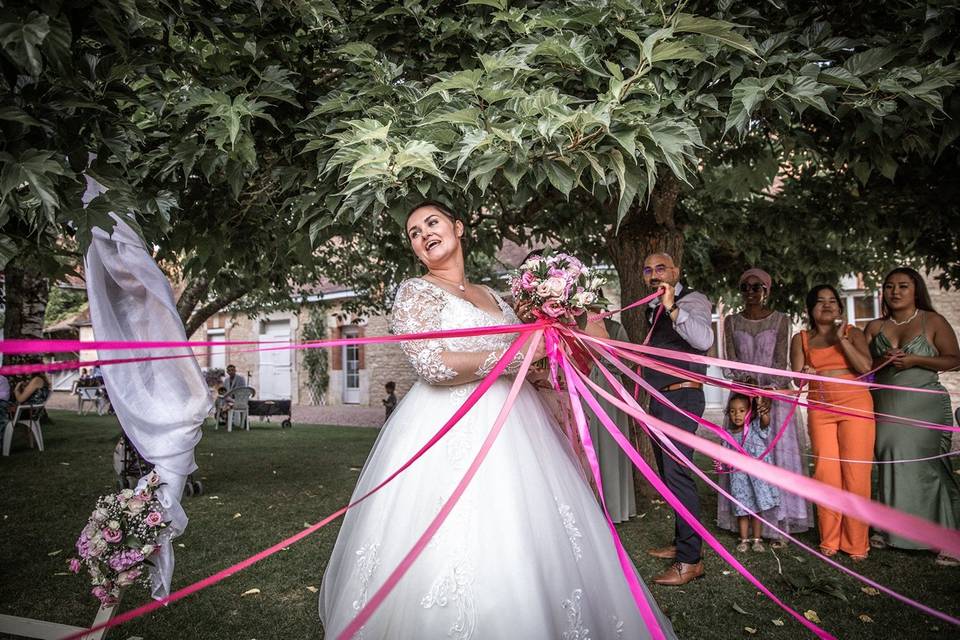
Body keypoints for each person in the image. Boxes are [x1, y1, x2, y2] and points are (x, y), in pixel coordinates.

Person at [319, 201, 676, 639]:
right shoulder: (415, 292)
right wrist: (519, 353)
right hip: (445, 424)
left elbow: (531, 367)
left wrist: (566, 349)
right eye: (414, 232)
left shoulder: (494, 297)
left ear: (458, 227)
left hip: (519, 424)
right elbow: (433, 364)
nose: (425, 234)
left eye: (432, 223)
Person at [864, 267, 960, 565]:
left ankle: (947, 537)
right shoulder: (874, 327)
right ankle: (891, 528)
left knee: (925, 463)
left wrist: (917, 359)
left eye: (902, 286)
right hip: (884, 402)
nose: (894, 291)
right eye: (889, 286)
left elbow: (955, 359)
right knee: (889, 458)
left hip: (923, 402)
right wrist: (884, 360)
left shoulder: (932, 321)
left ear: (915, 289)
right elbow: (862, 367)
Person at [718, 268, 813, 545]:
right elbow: (730, 362)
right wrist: (745, 386)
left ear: (766, 290)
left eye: (756, 287)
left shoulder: (781, 320)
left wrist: (766, 392)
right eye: (745, 287)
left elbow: (780, 361)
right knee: (744, 458)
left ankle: (777, 522)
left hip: (772, 393)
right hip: (741, 397)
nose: (750, 292)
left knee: (777, 458)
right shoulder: (731, 322)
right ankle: (745, 519)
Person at [640, 252, 714, 586]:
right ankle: (682, 541)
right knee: (670, 477)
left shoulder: (693, 300)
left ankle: (690, 561)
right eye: (648, 270)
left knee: (679, 475)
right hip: (661, 400)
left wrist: (673, 308)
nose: (654, 274)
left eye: (661, 268)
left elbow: (704, 340)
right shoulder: (650, 308)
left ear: (676, 272)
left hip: (681, 397)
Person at [791, 285, 875, 561]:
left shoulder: (853, 333)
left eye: (832, 301)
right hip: (820, 409)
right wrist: (806, 372)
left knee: (856, 473)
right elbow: (797, 380)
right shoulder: (800, 338)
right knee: (826, 473)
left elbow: (864, 368)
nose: (827, 305)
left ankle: (856, 543)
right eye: (820, 301)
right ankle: (830, 539)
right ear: (810, 309)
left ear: (839, 307)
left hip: (856, 406)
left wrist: (843, 341)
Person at [586, 315, 637, 523]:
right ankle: (588, 504)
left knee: (610, 445)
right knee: (587, 443)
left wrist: (601, 357)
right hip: (583, 386)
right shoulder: (572, 324)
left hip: (609, 390)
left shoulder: (615, 328)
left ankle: (614, 506)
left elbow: (628, 362)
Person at [720, 392, 780, 553]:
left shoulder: (754, 427)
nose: (736, 414)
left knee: (756, 509)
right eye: (732, 411)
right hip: (739, 480)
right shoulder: (727, 435)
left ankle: (757, 540)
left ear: (749, 412)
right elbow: (723, 455)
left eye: (741, 410)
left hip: (756, 478)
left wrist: (763, 410)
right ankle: (744, 539)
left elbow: (766, 422)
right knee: (742, 510)